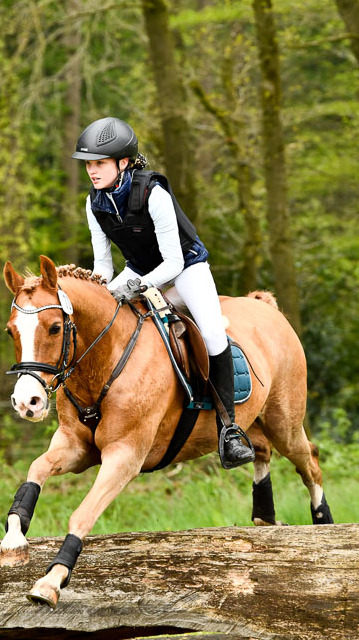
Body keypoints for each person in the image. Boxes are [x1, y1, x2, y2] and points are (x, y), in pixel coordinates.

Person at [72, 116, 254, 468]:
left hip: (185, 268)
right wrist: (98, 291)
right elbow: (103, 266)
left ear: (123, 162)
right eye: (89, 165)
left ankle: (230, 431)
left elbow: (172, 262)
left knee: (214, 334)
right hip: (139, 269)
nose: (92, 172)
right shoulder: (93, 203)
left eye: (99, 163)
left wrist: (136, 286)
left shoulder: (152, 192)